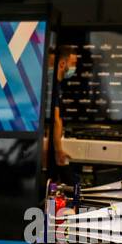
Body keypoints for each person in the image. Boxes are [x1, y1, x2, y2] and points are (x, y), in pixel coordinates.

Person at [44, 44, 79, 184]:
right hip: (50, 148)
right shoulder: (51, 86)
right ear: (63, 63)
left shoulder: (53, 84)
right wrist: (58, 150)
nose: (74, 67)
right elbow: (55, 120)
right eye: (73, 63)